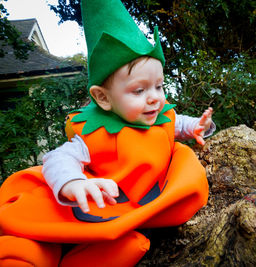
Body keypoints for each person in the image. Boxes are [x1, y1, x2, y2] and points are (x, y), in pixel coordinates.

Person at [0, 0, 214, 266]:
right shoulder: (96, 133)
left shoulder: (160, 117)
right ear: (103, 98)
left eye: (159, 86)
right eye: (139, 90)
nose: (154, 99)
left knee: (127, 241)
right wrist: (72, 183)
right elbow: (59, 158)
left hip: (140, 205)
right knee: (44, 232)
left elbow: (176, 123)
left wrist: (196, 126)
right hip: (99, 202)